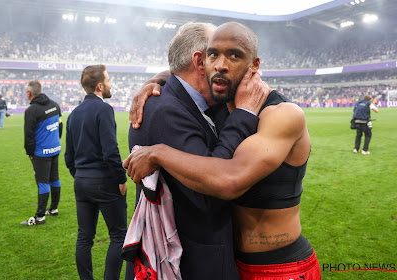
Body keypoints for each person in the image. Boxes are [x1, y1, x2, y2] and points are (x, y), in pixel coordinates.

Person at [124, 22, 321, 279]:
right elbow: (187, 80)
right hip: (233, 262)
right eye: (213, 54)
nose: (220, 64)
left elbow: (229, 179)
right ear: (202, 61)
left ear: (255, 65)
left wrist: (158, 153)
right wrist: (157, 80)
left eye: (235, 55)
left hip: (278, 266)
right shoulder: (222, 107)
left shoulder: (283, 114)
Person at [65, 65, 128, 280]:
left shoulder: (73, 115)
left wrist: (81, 175)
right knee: (119, 235)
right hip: (105, 181)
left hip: (82, 181)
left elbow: (68, 157)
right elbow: (110, 150)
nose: (111, 84)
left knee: (84, 238)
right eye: (108, 80)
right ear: (100, 86)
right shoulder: (104, 109)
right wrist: (121, 178)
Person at [21, 81, 62, 226]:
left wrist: (30, 153)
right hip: (55, 148)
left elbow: (28, 135)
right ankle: (53, 208)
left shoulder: (31, 110)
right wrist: (55, 142)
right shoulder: (54, 105)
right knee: (54, 179)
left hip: (41, 153)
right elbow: (60, 125)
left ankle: (39, 217)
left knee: (43, 183)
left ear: (29, 93)